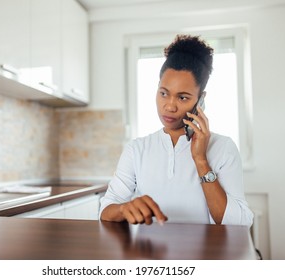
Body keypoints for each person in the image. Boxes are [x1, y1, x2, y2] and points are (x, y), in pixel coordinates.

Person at [100, 34, 253, 227]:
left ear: (201, 99)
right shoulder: (137, 149)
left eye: (182, 98)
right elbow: (105, 211)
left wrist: (201, 161)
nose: (169, 106)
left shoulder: (223, 148)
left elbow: (240, 223)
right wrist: (123, 209)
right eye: (163, 93)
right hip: (152, 255)